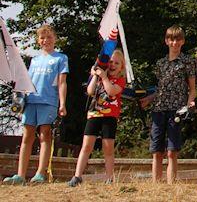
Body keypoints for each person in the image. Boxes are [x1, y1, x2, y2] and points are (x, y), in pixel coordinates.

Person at [3, 24, 68, 186]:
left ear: (55, 39)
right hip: (31, 100)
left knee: (45, 134)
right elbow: (26, 81)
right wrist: (19, 99)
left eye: (49, 37)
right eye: (42, 37)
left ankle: (40, 173)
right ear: (39, 41)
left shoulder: (61, 58)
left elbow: (62, 82)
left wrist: (62, 103)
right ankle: (20, 175)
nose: (46, 40)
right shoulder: (34, 60)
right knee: (27, 136)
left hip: (48, 101)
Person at [139, 25, 197, 184]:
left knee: (172, 151)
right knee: (156, 151)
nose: (175, 42)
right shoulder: (160, 64)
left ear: (183, 41)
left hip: (177, 110)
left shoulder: (188, 62)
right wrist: (148, 99)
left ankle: (171, 185)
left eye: (178, 39)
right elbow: (160, 88)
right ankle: (156, 185)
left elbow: (192, 89)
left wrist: (189, 103)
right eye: (172, 39)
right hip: (158, 109)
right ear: (166, 41)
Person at [68, 49, 126, 186]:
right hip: (94, 114)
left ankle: (109, 177)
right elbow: (90, 91)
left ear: (121, 67)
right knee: (86, 145)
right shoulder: (99, 78)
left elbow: (111, 91)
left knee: (108, 148)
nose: (112, 65)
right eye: (110, 62)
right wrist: (95, 75)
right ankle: (77, 176)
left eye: (116, 63)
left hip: (110, 116)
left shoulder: (120, 80)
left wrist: (105, 78)